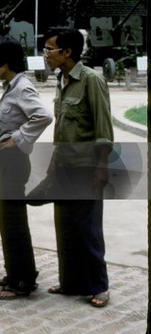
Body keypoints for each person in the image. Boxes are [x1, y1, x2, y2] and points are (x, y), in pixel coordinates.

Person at [42, 26, 113, 308]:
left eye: (50, 49)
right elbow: (62, 128)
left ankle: (99, 286)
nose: (45, 54)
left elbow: (103, 128)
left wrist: (102, 167)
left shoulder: (91, 80)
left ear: (67, 52)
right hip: (64, 166)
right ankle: (71, 282)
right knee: (66, 226)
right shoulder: (63, 80)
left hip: (86, 168)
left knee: (88, 228)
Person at [0, 36, 52, 300]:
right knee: (9, 219)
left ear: (5, 63)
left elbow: (43, 116)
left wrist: (19, 138)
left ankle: (22, 281)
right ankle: (16, 273)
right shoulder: (11, 86)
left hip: (14, 161)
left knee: (13, 221)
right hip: (7, 161)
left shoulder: (22, 87)